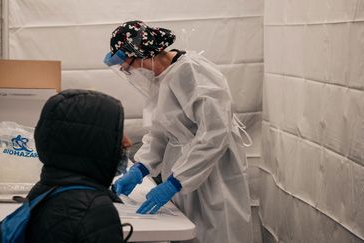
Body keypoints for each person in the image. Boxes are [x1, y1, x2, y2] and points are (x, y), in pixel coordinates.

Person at [104, 20, 253, 243]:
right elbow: (161, 132)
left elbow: (215, 133)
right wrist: (141, 167)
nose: (131, 72)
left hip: (214, 170)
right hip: (185, 169)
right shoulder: (160, 79)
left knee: (218, 231)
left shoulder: (191, 70)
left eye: (129, 66)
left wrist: (177, 181)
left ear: (141, 51)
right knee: (188, 231)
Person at [25, 89, 130, 243]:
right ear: (93, 143)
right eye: (116, 135)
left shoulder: (42, 191)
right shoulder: (95, 210)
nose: (127, 142)